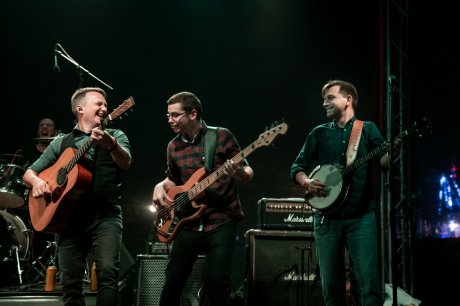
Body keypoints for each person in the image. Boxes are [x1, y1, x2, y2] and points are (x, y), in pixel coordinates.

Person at [290, 80, 400, 306]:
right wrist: (307, 182)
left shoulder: (367, 129)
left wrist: (395, 152)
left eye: (329, 97)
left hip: (361, 217)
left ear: (348, 100)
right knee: (331, 287)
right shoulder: (318, 133)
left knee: (370, 284)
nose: (324, 103)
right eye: (324, 99)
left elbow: (383, 163)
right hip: (326, 219)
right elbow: (296, 168)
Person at [22, 87, 132, 306]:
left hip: (105, 215)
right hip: (68, 219)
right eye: (98, 104)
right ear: (80, 109)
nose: (104, 107)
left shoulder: (116, 136)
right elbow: (29, 173)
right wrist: (36, 182)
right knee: (70, 282)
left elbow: (126, 162)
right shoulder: (61, 142)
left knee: (108, 275)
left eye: (105, 105)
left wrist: (109, 143)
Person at [152, 91, 254, 306]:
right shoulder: (173, 146)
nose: (170, 120)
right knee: (173, 280)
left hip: (220, 219)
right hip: (187, 222)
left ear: (193, 113)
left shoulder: (222, 136)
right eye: (168, 115)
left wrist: (238, 173)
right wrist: (160, 186)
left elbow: (247, 172)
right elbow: (173, 179)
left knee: (217, 280)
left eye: (175, 115)